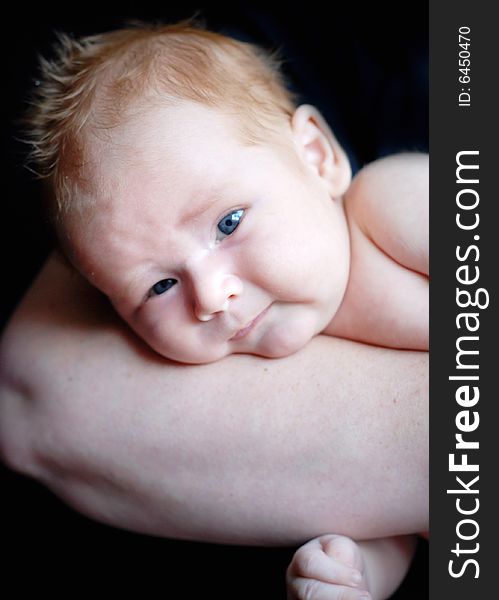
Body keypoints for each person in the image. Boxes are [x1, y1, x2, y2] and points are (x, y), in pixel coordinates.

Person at [1, 20, 428, 599]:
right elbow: (391, 519)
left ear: (317, 155)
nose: (209, 297)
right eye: (157, 287)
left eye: (228, 223)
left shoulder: (389, 209)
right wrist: (353, 573)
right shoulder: (284, 382)